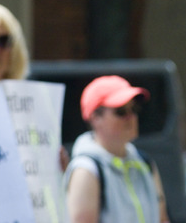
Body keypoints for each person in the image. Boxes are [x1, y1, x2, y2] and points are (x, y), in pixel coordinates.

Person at [64, 75, 169, 223]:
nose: (131, 117)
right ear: (95, 118)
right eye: (121, 111)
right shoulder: (86, 170)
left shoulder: (144, 163)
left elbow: (162, 219)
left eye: (134, 109)